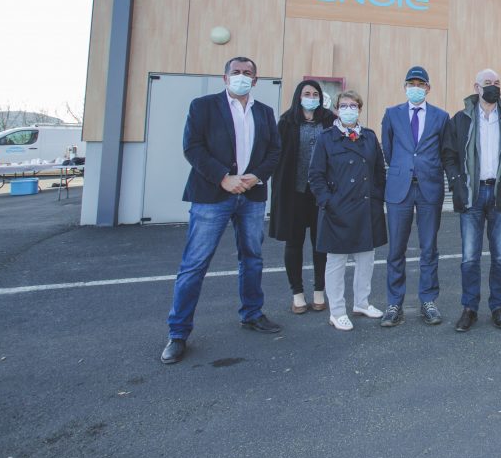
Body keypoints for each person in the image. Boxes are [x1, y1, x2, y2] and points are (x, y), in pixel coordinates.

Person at [161, 56, 282, 365]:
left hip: (252, 195)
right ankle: (178, 333)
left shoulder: (265, 113)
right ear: (226, 77)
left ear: (255, 80)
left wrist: (256, 176)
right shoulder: (203, 107)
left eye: (248, 73)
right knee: (195, 264)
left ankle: (252, 314)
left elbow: (274, 151)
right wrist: (223, 178)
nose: (242, 76)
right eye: (236, 72)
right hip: (212, 195)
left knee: (252, 258)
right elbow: (193, 147)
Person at [442, 68, 501, 332]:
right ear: (476, 87)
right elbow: (448, 154)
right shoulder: (460, 119)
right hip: (471, 193)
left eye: (497, 83)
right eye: (487, 83)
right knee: (470, 257)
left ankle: (498, 307)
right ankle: (469, 308)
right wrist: (456, 182)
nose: (493, 87)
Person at [308, 91, 388, 331]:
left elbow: (379, 173)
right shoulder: (326, 138)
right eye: (344, 105)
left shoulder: (370, 137)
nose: (349, 109)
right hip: (338, 209)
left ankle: (362, 303)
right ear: (337, 109)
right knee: (336, 262)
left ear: (360, 109)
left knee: (367, 259)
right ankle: (338, 311)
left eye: (353, 105)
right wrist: (328, 202)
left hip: (366, 207)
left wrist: (377, 198)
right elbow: (316, 175)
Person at [381, 66, 449, 327]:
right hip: (400, 188)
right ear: (405, 86)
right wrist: (403, 169)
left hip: (429, 187)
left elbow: (445, 150)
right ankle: (394, 303)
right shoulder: (392, 114)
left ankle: (428, 301)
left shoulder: (441, 117)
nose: (416, 88)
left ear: (428, 88)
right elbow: (388, 149)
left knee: (429, 247)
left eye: (421, 84)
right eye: (412, 83)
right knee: (396, 249)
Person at [270, 79, 335, 315]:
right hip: (294, 192)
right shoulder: (286, 122)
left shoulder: (329, 120)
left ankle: (319, 291)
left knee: (321, 243)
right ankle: (297, 294)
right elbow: (277, 156)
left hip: (321, 193)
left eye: (315, 93)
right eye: (306, 93)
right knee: (294, 243)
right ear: (299, 96)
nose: (311, 97)